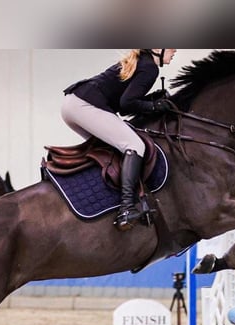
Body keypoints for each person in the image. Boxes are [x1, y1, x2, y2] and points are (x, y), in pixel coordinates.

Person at [61, 49, 177, 231]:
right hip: (85, 105)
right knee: (135, 145)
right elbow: (127, 104)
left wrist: (151, 100)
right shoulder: (150, 68)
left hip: (73, 105)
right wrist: (154, 106)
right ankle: (126, 209)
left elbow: (124, 105)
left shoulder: (142, 62)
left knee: (114, 150)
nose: (175, 50)